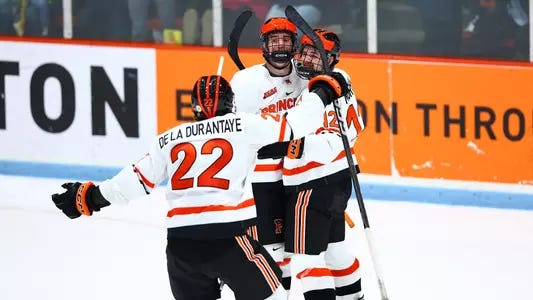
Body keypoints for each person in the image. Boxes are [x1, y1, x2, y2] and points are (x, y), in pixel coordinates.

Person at [51, 74, 348, 300]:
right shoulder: (244, 124)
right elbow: (294, 124)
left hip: (180, 248)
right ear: (230, 104)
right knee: (274, 295)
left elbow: (134, 181)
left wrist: (90, 197)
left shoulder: (169, 138)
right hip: (226, 239)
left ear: (193, 106)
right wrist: (321, 92)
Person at [256, 29, 366, 299]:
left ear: (332, 59)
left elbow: (329, 143)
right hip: (337, 182)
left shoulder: (319, 93)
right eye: (305, 52)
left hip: (312, 184)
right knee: (335, 252)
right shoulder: (341, 81)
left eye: (317, 56)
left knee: (305, 262)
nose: (307, 60)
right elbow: (357, 126)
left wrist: (286, 146)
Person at [230, 16, 308, 291]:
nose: (280, 45)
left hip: (300, 177)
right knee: (270, 251)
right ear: (264, 45)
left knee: (301, 255)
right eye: (274, 40)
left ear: (294, 44)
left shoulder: (306, 77)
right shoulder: (244, 81)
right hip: (262, 181)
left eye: (285, 39)